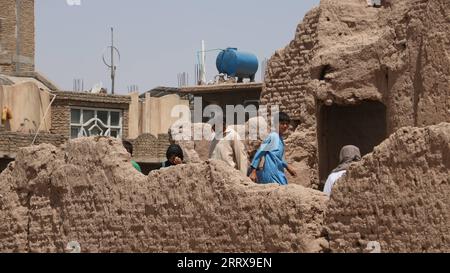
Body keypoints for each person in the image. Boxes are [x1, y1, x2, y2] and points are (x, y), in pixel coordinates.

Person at [248, 112, 297, 185]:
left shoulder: (280, 139)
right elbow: (259, 153)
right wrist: (253, 171)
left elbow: (278, 157)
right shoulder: (272, 137)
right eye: (282, 123)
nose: (285, 126)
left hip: (278, 172)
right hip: (271, 174)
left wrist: (287, 167)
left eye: (287, 124)